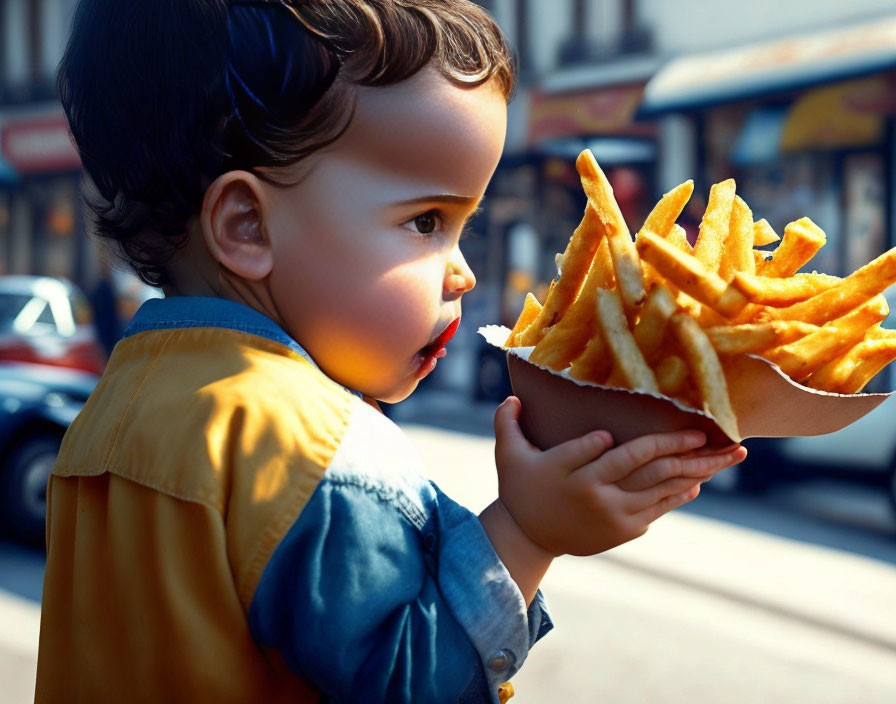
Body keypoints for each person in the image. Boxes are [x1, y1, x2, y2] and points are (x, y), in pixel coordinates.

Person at [35, 2, 747, 702]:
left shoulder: (115, 409)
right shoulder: (313, 449)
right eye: (427, 221)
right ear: (247, 225)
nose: (463, 270)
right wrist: (528, 534)